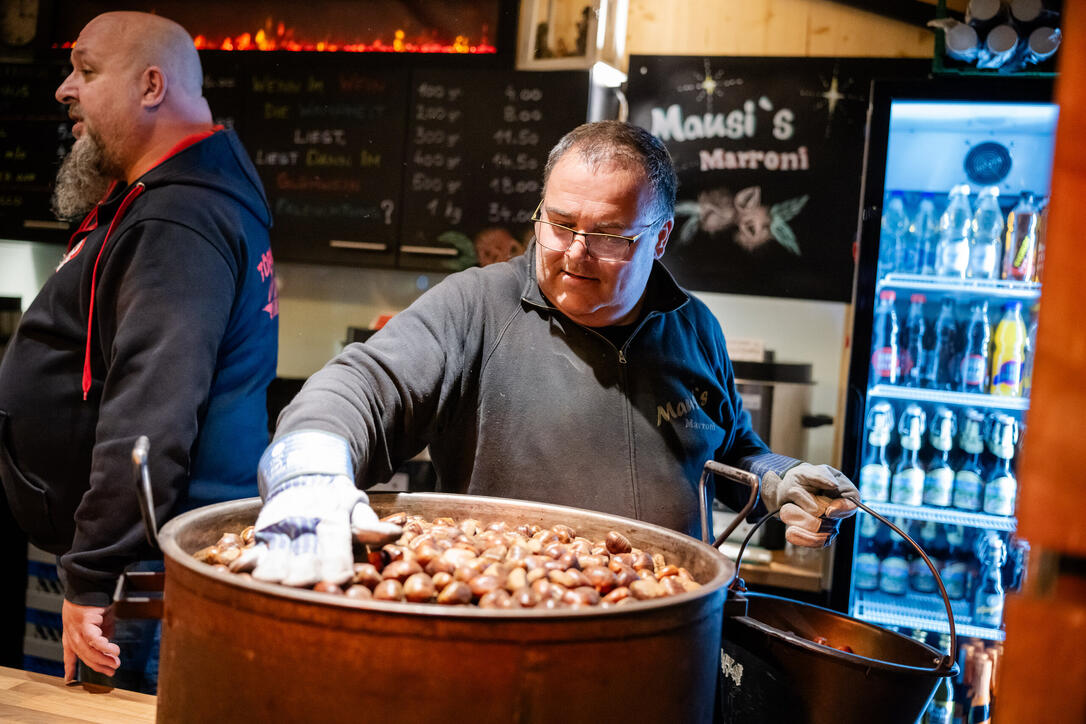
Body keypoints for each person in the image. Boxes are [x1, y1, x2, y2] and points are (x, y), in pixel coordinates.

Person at [238, 121, 856, 590]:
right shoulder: (478, 305)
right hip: (516, 630)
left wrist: (778, 479)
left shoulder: (695, 328)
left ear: (661, 236)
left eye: (609, 236)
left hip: (672, 635)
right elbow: (362, 386)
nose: (575, 253)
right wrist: (309, 467)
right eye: (559, 224)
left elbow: (730, 455)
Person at [0, 12, 278, 692]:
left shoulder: (180, 220)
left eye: (86, 71)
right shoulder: (176, 199)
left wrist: (94, 572)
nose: (65, 89)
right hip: (148, 565)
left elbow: (152, 407)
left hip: (145, 578)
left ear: (151, 85)